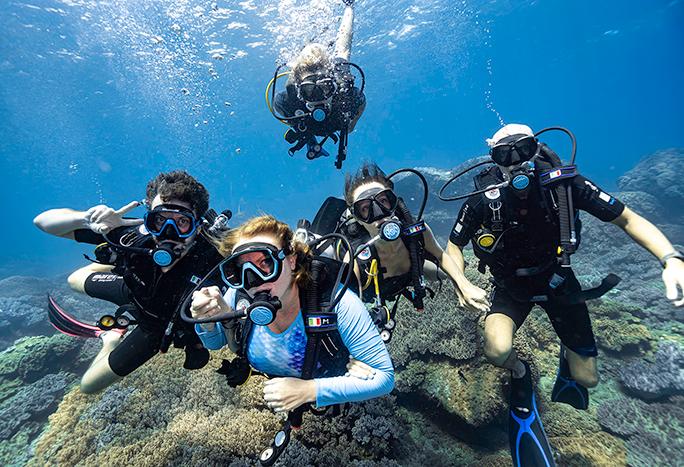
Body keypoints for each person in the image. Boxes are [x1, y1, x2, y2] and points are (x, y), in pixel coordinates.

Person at [444, 123, 684, 466]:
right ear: (493, 160)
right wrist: (462, 283)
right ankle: (520, 371)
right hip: (511, 287)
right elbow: (453, 246)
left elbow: (627, 219)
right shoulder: (483, 200)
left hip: (559, 282)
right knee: (497, 351)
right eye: (503, 155)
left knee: (588, 379)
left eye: (522, 150)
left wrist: (670, 257)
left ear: (536, 149)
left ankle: (567, 355)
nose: (514, 163)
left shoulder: (566, 186)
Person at [189, 216, 393, 453]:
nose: (253, 280)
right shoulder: (238, 297)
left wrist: (309, 391)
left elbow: (384, 378)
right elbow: (214, 344)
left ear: (291, 260)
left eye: (265, 262)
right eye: (241, 269)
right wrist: (206, 321)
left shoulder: (336, 303)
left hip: (328, 388)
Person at [34, 170, 225, 394]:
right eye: (160, 220)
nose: (168, 233)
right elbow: (42, 222)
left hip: (156, 327)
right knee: (72, 279)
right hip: (131, 291)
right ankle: (113, 260)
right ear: (148, 219)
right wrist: (86, 219)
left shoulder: (214, 257)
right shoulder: (133, 235)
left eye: (182, 221)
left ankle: (110, 337)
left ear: (198, 226)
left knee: (88, 385)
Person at [307, 162, 489, 342]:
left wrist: (463, 285)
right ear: (357, 219)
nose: (378, 213)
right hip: (375, 288)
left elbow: (440, 255)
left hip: (412, 273)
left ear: (394, 203)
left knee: (447, 272)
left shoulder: (418, 231)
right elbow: (352, 305)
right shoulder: (355, 256)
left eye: (383, 201)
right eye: (365, 209)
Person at [270, 0, 366, 169]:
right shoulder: (286, 101)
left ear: (333, 85)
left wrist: (350, 7)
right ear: (299, 91)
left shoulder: (346, 92)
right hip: (305, 124)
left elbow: (344, 43)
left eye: (325, 88)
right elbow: (283, 111)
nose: (318, 98)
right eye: (309, 91)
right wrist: (303, 130)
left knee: (341, 54)